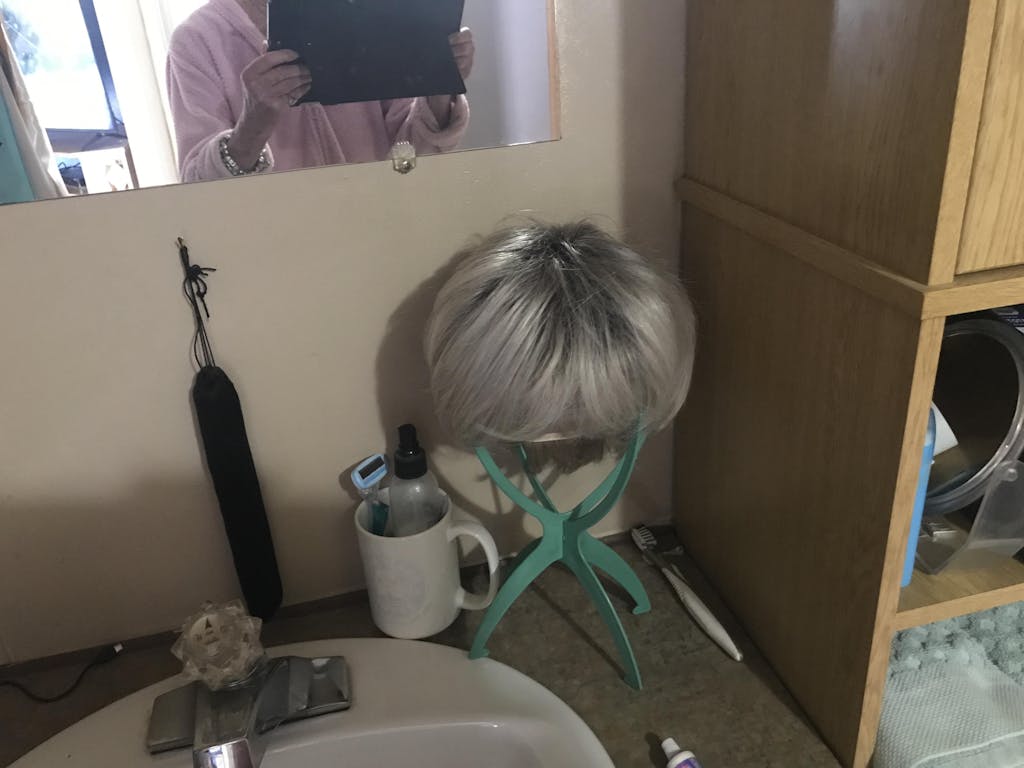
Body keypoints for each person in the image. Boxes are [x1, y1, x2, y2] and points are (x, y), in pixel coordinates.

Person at [167, 0, 474, 181]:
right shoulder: (196, 41)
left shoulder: (364, 13)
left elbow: (410, 156)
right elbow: (199, 190)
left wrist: (440, 83)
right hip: (276, 247)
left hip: (380, 225)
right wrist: (252, 126)